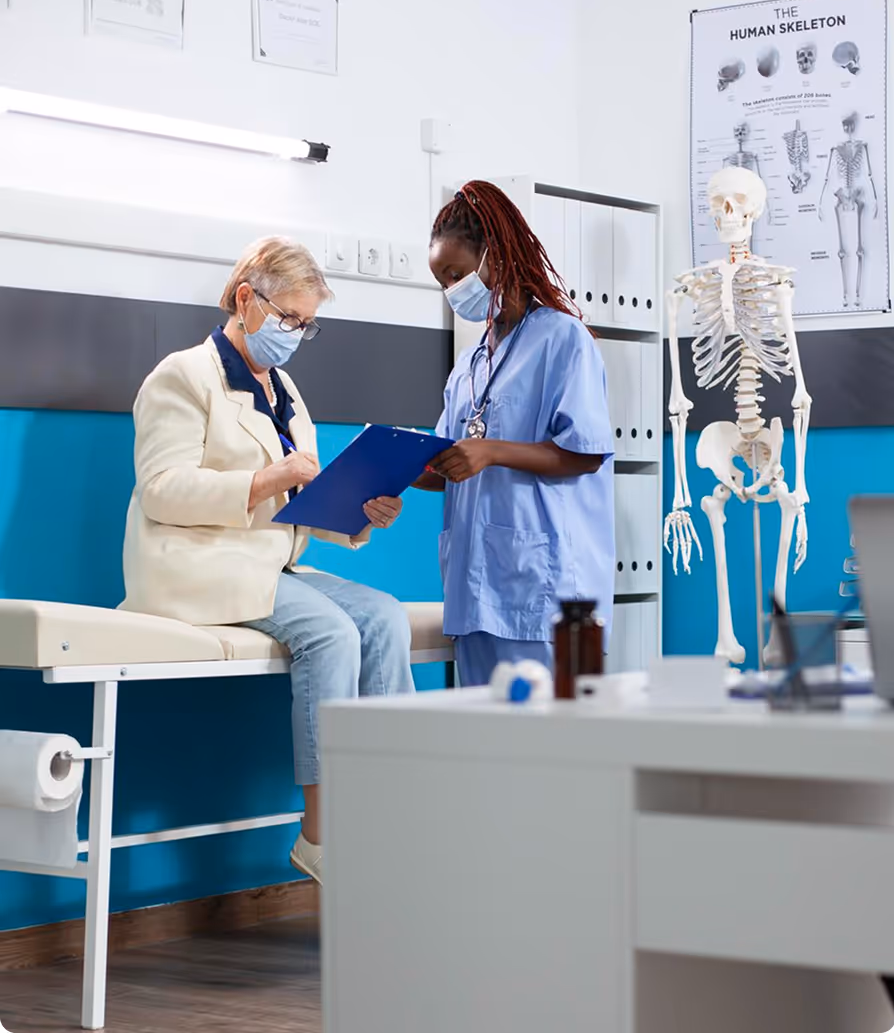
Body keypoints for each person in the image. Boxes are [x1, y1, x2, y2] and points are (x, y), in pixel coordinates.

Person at [120, 236, 414, 885]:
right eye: (289, 319)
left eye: (306, 326)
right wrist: (263, 478)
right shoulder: (182, 376)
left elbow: (298, 498)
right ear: (246, 299)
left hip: (262, 560)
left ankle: (388, 808)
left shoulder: (283, 391)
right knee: (332, 632)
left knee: (385, 616)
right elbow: (161, 489)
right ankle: (322, 834)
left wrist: (357, 512)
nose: (295, 333)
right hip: (196, 562)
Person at [416, 180, 615, 687]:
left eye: (457, 274)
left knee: (558, 751)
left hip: (543, 589)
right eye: (442, 281)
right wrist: (401, 467)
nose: (452, 291)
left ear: (496, 256)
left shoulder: (562, 339)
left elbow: (585, 454)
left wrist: (491, 452)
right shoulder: (470, 364)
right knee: (488, 752)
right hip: (474, 588)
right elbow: (452, 461)